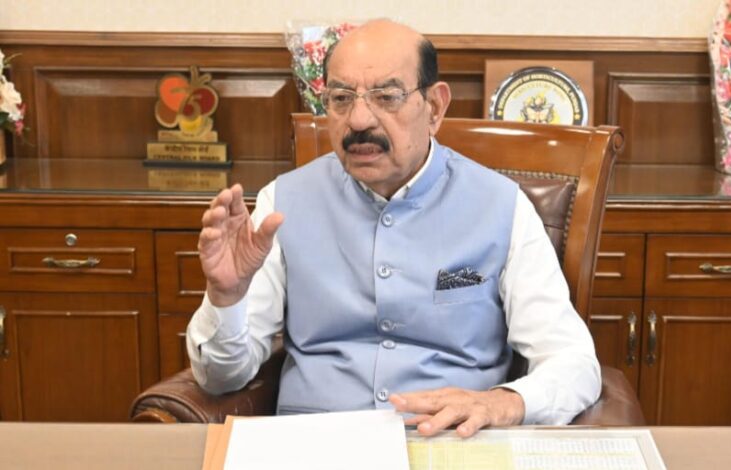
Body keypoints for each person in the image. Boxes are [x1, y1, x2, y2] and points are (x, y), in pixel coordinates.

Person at [187, 19, 600, 438]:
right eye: (341, 98)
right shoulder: (282, 203)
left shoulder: (503, 207)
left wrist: (502, 403)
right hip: (314, 443)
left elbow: (574, 362)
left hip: (450, 444)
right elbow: (222, 378)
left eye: (387, 97)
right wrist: (226, 299)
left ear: (434, 107)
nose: (359, 120)